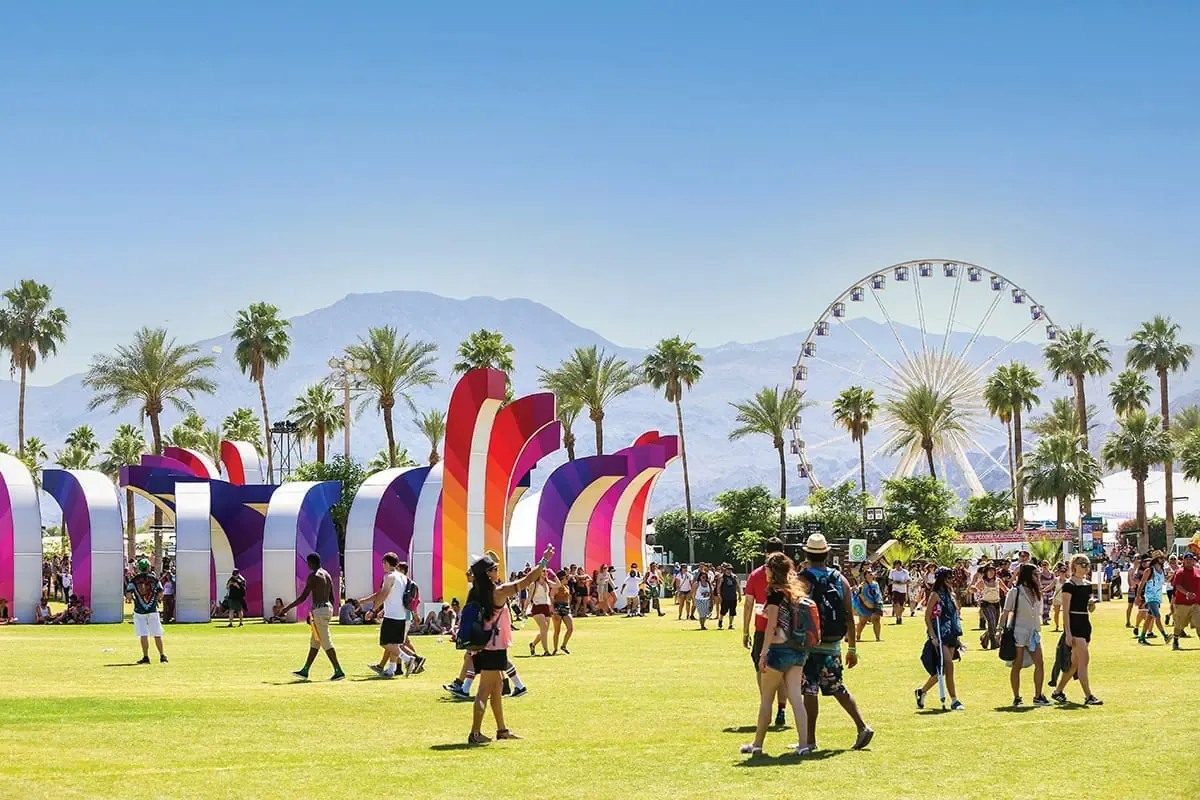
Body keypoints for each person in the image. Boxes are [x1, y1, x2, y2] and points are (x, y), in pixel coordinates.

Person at [464, 546, 552, 745]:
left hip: (485, 647)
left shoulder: (476, 593)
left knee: (496, 690)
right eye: (494, 568)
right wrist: (544, 561)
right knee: (484, 691)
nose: (498, 571)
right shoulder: (498, 592)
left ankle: (502, 730)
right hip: (493, 649)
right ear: (488, 574)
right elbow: (527, 581)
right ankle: (475, 733)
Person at [798, 535, 874, 751]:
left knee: (810, 690)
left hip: (809, 645)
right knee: (837, 687)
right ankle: (862, 726)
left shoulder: (802, 580)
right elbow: (849, 616)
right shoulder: (840, 579)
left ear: (807, 554)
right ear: (827, 554)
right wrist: (852, 648)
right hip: (833, 644)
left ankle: (810, 741)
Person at [740, 552, 812, 758]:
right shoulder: (795, 592)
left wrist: (763, 654)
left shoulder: (774, 592)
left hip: (779, 650)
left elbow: (771, 626)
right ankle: (803, 744)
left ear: (773, 571)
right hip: (797, 649)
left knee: (766, 699)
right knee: (796, 698)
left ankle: (757, 744)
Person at [742, 537, 789, 728]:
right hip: (786, 629)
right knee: (783, 671)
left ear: (765, 553)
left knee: (761, 668)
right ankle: (781, 709)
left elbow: (748, 604)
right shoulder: (790, 573)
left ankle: (766, 704)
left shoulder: (756, 574)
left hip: (762, 629)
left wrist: (745, 632)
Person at [280, 553, 344, 681]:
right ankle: (305, 670)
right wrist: (325, 612)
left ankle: (338, 670)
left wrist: (286, 608)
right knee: (315, 641)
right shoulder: (327, 574)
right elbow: (332, 597)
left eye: (307, 563)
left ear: (311, 563)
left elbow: (303, 597)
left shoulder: (313, 576)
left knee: (325, 641)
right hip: (326, 608)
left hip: (319, 610)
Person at [357, 552, 422, 678]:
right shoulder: (403, 577)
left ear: (387, 563)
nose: (382, 565)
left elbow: (383, 594)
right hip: (402, 615)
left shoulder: (389, 576)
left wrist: (373, 610)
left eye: (383, 563)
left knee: (385, 643)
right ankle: (391, 670)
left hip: (392, 615)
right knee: (395, 643)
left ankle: (408, 659)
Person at [1053, 554, 1102, 705]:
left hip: (1085, 623)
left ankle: (1058, 691)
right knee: (1084, 661)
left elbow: (1088, 608)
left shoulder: (1087, 584)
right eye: (1083, 564)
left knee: (1075, 663)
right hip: (1074, 625)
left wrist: (1091, 603)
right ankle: (1088, 695)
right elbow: (1065, 611)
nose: (1086, 567)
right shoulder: (1069, 585)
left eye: (1087, 564)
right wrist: (1067, 633)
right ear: (1074, 566)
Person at [999, 564, 1049, 707]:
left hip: (1033, 632)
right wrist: (999, 630)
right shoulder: (1015, 591)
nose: (1037, 576)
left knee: (1040, 663)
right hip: (1018, 633)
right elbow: (1005, 612)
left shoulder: (1036, 591)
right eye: (1035, 574)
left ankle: (1038, 696)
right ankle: (1017, 697)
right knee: (1017, 665)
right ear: (1027, 575)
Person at [915, 568, 964, 711]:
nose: (950, 580)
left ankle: (922, 691)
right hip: (939, 633)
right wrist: (933, 636)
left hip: (951, 633)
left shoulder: (951, 594)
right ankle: (954, 700)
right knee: (948, 664)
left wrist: (958, 638)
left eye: (951, 577)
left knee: (943, 671)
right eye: (947, 577)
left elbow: (954, 616)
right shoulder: (935, 595)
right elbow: (927, 617)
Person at [127, 559, 167, 664]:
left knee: (143, 634)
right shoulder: (154, 579)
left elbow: (129, 596)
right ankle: (162, 656)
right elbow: (161, 594)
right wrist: (156, 599)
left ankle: (146, 657)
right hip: (153, 610)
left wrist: (134, 598)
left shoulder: (134, 580)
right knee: (157, 634)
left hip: (139, 611)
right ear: (148, 567)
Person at [1138, 552, 1172, 645]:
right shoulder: (1149, 570)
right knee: (1157, 616)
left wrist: (1172, 575)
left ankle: (1141, 638)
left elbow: (1164, 581)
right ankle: (1165, 636)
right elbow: (1142, 583)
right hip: (1151, 596)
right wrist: (1138, 596)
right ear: (1156, 559)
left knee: (1149, 618)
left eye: (1163, 558)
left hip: (1157, 597)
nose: (1163, 560)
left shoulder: (1162, 570)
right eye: (1161, 558)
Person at [971, 564, 1006, 650]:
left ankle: (984, 637)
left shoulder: (998, 581)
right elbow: (974, 589)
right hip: (986, 604)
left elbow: (1005, 589)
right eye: (989, 571)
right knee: (991, 621)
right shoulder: (982, 582)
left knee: (994, 625)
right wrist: (973, 589)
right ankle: (993, 643)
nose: (991, 572)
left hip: (996, 604)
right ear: (986, 572)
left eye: (993, 570)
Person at [1170, 551, 1199, 649]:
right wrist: (1187, 593)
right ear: (1183, 561)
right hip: (1182, 603)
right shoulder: (1180, 572)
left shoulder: (1198, 571)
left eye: (1191, 559)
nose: (1189, 561)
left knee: (1199, 623)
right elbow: (1177, 586)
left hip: (1196, 603)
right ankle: (1175, 641)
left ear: (1194, 561)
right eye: (1187, 560)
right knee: (1179, 625)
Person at [852, 568, 883, 642]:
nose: (871, 573)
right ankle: (858, 636)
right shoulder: (862, 585)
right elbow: (859, 594)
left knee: (876, 620)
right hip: (864, 606)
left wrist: (879, 602)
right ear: (865, 576)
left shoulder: (876, 584)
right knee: (863, 622)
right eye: (868, 572)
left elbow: (878, 594)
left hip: (875, 604)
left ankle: (878, 637)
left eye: (871, 572)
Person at [717, 564, 740, 630]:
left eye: (730, 569)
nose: (729, 571)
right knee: (723, 611)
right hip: (725, 597)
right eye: (728, 569)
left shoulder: (734, 577)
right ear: (725, 570)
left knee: (732, 612)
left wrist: (739, 595)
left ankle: (730, 624)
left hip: (733, 597)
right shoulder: (722, 577)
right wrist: (719, 595)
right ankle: (720, 621)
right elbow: (718, 587)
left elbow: (738, 586)